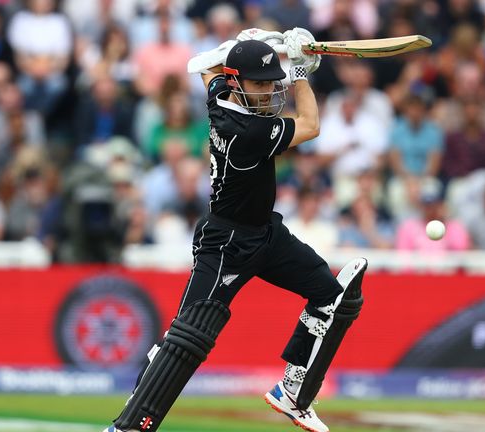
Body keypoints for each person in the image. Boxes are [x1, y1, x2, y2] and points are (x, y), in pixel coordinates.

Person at [104, 28, 367, 432]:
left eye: (271, 83)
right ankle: (128, 426)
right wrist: (299, 71)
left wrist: (242, 44)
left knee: (332, 297)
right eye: (259, 84)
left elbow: (203, 67)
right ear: (237, 82)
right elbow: (311, 124)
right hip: (226, 243)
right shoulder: (249, 132)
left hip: (266, 233)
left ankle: (294, 392)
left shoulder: (219, 98)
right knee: (189, 335)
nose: (268, 91)